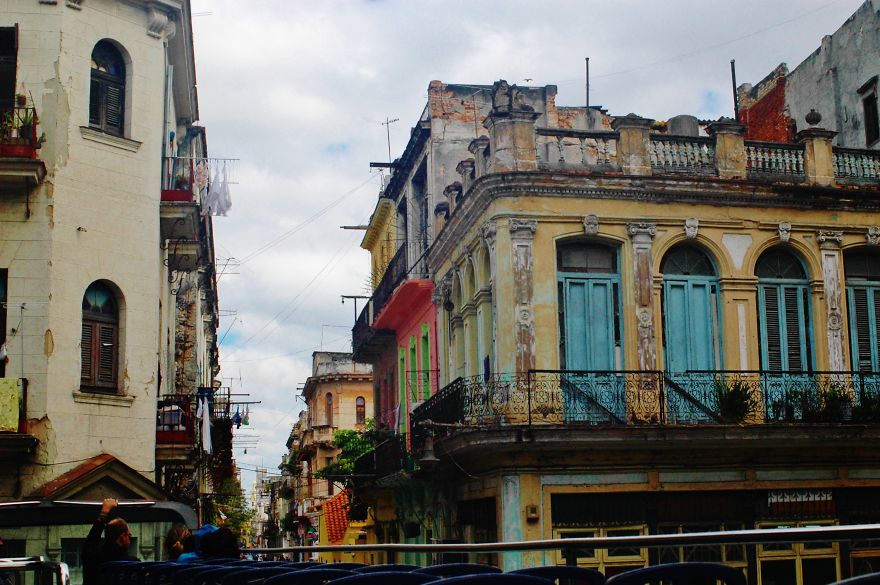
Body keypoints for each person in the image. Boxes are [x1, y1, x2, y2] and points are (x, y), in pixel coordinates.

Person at [82, 498, 138, 585]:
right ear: (123, 537)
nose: (130, 541)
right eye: (129, 536)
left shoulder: (93, 558)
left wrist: (104, 512)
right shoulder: (133, 564)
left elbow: (91, 540)